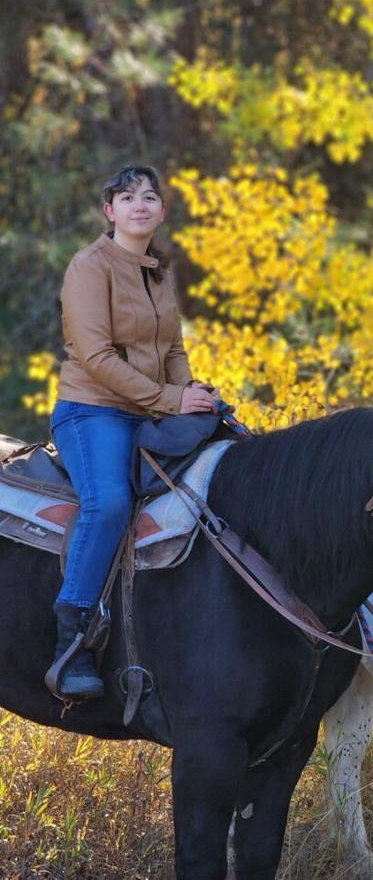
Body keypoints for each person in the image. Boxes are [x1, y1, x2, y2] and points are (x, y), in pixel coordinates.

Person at [49, 165, 217, 698]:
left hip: (152, 410)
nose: (139, 205)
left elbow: (172, 350)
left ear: (162, 212)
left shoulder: (158, 273)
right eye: (127, 197)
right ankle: (72, 633)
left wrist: (191, 399)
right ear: (110, 211)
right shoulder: (88, 267)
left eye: (149, 197)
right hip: (92, 410)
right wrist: (171, 399)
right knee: (109, 502)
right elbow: (95, 357)